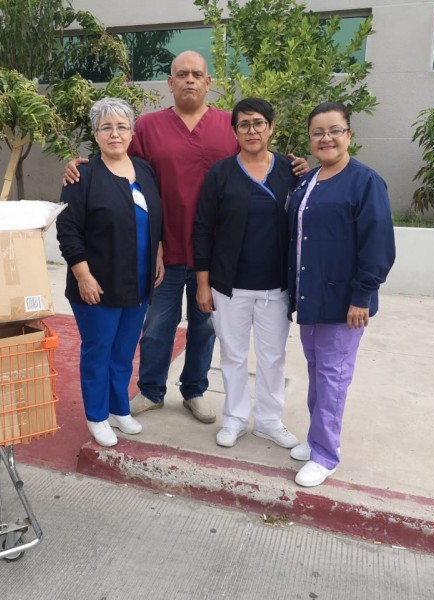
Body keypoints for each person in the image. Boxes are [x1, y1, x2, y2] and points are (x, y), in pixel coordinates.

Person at [65, 51, 308, 425]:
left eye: (197, 74)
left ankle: (194, 390)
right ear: (171, 82)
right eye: (182, 74)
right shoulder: (147, 126)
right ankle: (151, 389)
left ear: (208, 82)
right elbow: (121, 165)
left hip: (214, 253)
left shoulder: (228, 127)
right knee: (157, 327)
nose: (190, 80)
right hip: (164, 248)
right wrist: (79, 164)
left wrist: (297, 169)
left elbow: (258, 159)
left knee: (205, 327)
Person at [286, 101, 395, 487]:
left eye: (335, 130)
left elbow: (378, 245)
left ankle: (326, 454)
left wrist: (362, 296)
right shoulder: (310, 180)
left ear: (349, 134)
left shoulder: (365, 182)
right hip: (311, 296)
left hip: (344, 303)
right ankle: (317, 437)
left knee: (333, 377)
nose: (326, 138)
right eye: (318, 132)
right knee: (317, 372)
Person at [56, 97, 164, 447]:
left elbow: (155, 220)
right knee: (98, 350)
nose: (114, 134)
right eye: (106, 127)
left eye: (121, 126)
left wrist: (159, 254)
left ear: (132, 132)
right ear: (96, 134)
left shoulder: (145, 171)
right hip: (97, 284)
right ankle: (97, 416)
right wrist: (83, 275)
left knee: (124, 350)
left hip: (138, 281)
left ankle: (119, 408)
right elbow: (68, 230)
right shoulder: (82, 175)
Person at [193, 98, 300, 450]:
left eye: (258, 123)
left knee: (272, 357)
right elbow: (203, 229)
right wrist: (204, 284)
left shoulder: (290, 170)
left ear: (270, 127)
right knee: (233, 355)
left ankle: (269, 421)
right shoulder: (221, 173)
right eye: (244, 125)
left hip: (276, 287)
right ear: (235, 131)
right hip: (230, 285)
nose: (251, 131)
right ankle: (236, 418)